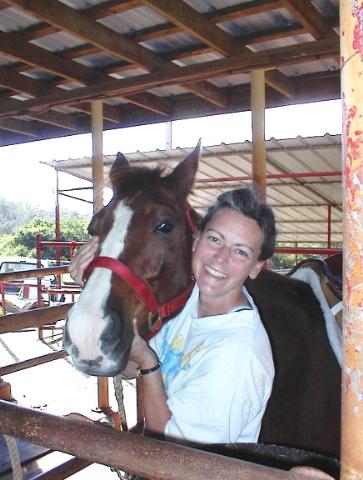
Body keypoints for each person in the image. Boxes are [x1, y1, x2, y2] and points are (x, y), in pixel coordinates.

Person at [69, 187, 276, 445]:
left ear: (256, 267)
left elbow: (178, 460)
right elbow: (130, 366)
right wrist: (94, 288)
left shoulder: (236, 356)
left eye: (240, 251)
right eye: (215, 239)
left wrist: (147, 361)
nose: (221, 258)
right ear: (196, 239)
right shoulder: (188, 299)